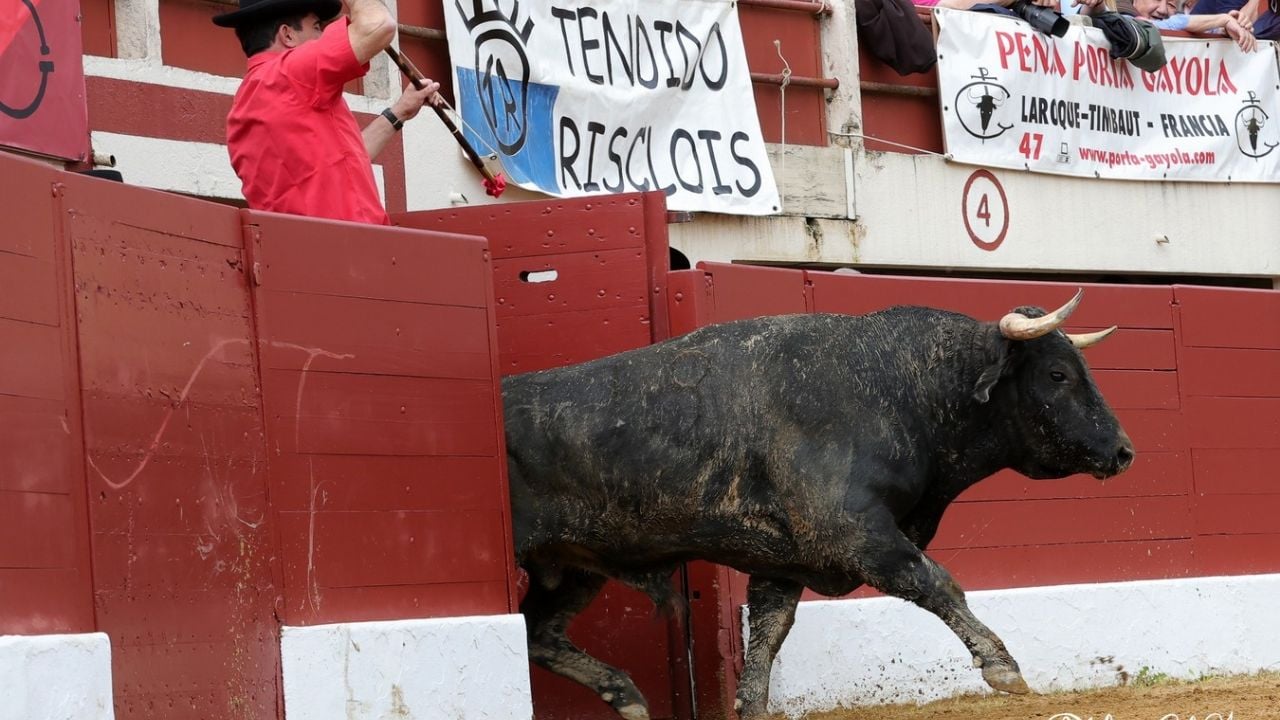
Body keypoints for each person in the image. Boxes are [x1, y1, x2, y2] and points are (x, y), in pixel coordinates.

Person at [213, 0, 443, 225]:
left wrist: (399, 112)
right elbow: (379, 25)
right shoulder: (290, 73)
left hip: (305, 250)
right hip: (349, 248)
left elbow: (342, 163)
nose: (323, 36)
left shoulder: (248, 98)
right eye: (316, 27)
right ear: (288, 35)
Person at [1134, 0, 1258, 50]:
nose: (1163, 10)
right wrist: (1223, 20)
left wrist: (1225, 30)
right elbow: (1157, 26)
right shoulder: (1120, 19)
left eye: (1170, 5)